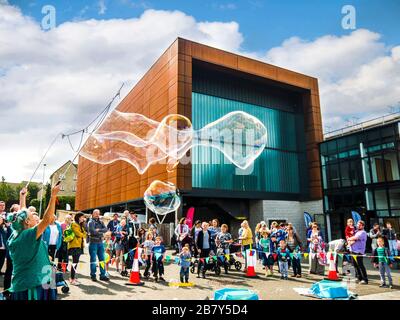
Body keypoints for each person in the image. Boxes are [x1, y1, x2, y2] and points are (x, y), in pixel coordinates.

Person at [7, 185, 60, 300]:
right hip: (33, 282)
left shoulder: (16, 232)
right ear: (27, 221)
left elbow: (22, 214)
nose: (37, 220)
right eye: (33, 217)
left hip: (42, 275)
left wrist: (22, 197)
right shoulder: (28, 235)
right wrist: (53, 196)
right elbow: (47, 219)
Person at [87, 209, 109, 282]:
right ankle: (93, 275)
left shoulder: (101, 221)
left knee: (102, 260)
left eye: (98, 213)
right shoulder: (90, 222)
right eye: (96, 213)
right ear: (93, 214)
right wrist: (101, 232)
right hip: (93, 242)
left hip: (100, 243)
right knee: (93, 260)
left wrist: (98, 230)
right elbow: (92, 231)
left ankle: (102, 275)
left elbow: (106, 229)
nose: (97, 215)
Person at [67, 212, 87, 285]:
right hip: (75, 246)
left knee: (76, 262)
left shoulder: (80, 225)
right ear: (79, 217)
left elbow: (84, 234)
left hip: (79, 245)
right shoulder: (74, 224)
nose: (83, 218)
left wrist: (83, 234)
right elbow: (79, 234)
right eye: (82, 217)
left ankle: (73, 277)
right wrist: (83, 234)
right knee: (75, 262)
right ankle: (72, 279)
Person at [348, 220, 368, 284]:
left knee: (360, 265)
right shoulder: (356, 231)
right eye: (358, 224)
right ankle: (359, 278)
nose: (358, 226)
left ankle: (365, 279)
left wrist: (349, 238)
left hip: (359, 251)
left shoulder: (363, 232)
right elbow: (351, 237)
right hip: (353, 251)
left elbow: (355, 238)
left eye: (360, 225)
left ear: (363, 226)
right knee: (355, 265)